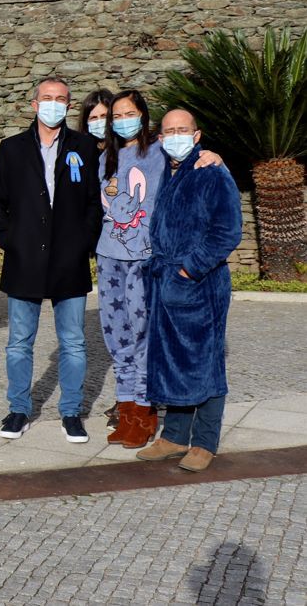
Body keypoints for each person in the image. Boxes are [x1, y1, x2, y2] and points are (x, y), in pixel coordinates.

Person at [94, 92, 223, 449]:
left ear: (143, 115)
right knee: (116, 335)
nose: (123, 119)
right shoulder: (104, 156)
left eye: (130, 113)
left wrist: (215, 157)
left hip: (143, 258)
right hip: (109, 257)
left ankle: (145, 411)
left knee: (141, 334)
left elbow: (194, 163)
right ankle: (126, 408)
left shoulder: (158, 151)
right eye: (117, 114)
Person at [0, 76, 102, 443]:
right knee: (19, 341)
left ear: (69, 106)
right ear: (34, 104)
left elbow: (94, 203)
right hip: (25, 260)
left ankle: (71, 412)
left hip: (69, 260)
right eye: (47, 98)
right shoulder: (12, 148)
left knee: (74, 342)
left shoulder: (84, 147)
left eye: (62, 99)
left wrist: (84, 241)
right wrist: (10, 239)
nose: (54, 104)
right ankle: (18, 409)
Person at [135, 109, 242, 472]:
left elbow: (227, 232)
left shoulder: (211, 171)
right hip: (165, 284)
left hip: (200, 284)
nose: (176, 135)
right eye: (169, 131)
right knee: (172, 360)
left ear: (197, 136)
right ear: (161, 139)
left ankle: (205, 441)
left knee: (206, 363)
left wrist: (187, 269)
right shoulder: (167, 169)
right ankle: (175, 435)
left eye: (183, 130)